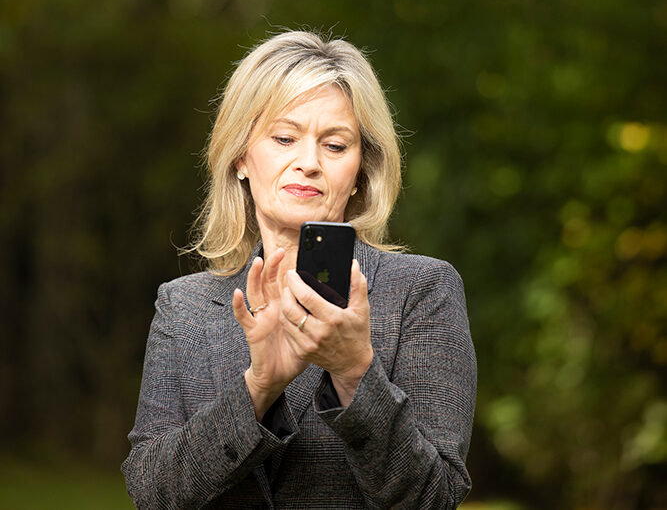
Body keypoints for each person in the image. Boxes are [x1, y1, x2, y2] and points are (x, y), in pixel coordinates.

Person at [122, 31, 476, 510]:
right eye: (285, 138)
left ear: (361, 171)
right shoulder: (184, 305)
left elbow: (436, 498)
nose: (307, 163)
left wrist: (354, 371)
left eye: (334, 145)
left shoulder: (421, 290)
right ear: (241, 157)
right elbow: (151, 493)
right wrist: (258, 389)